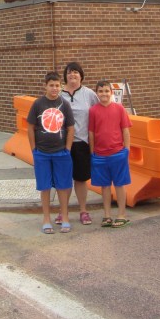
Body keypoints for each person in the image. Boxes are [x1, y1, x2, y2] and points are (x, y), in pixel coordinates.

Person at [27, 71, 75, 234]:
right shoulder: (38, 104)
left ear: (60, 86)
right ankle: (46, 219)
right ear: (45, 86)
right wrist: (34, 149)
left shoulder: (65, 104)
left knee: (63, 186)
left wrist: (68, 148)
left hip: (61, 152)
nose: (54, 88)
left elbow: (70, 127)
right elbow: (30, 127)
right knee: (45, 187)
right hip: (42, 153)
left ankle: (65, 218)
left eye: (57, 85)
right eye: (51, 85)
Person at [59, 61, 98, 226]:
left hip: (82, 143)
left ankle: (83, 211)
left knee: (81, 179)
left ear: (81, 75)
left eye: (75, 72)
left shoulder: (89, 94)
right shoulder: (59, 94)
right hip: (62, 144)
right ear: (65, 76)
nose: (72, 75)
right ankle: (63, 212)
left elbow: (99, 112)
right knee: (64, 179)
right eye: (69, 72)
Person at [89, 81, 132, 227]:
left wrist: (127, 150)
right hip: (99, 156)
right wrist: (92, 153)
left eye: (107, 91)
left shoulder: (119, 109)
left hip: (118, 153)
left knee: (120, 185)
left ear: (111, 93)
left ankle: (121, 214)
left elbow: (125, 130)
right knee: (105, 186)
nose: (104, 94)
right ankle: (107, 215)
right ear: (97, 93)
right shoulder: (93, 111)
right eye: (100, 91)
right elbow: (91, 133)